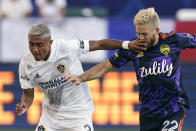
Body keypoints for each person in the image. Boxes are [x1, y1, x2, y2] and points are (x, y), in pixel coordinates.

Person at [64, 7, 196, 131]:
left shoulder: (174, 40)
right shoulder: (133, 47)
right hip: (148, 114)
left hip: (173, 110)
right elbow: (104, 67)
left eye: (144, 34)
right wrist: (80, 78)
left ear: (156, 30)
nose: (141, 38)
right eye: (138, 34)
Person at [15, 23, 146, 131]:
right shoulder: (26, 64)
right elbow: (28, 94)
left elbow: (100, 44)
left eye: (39, 45)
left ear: (50, 42)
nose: (35, 49)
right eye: (31, 44)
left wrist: (127, 44)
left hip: (79, 113)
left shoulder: (66, 48)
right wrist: (24, 104)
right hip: (50, 118)